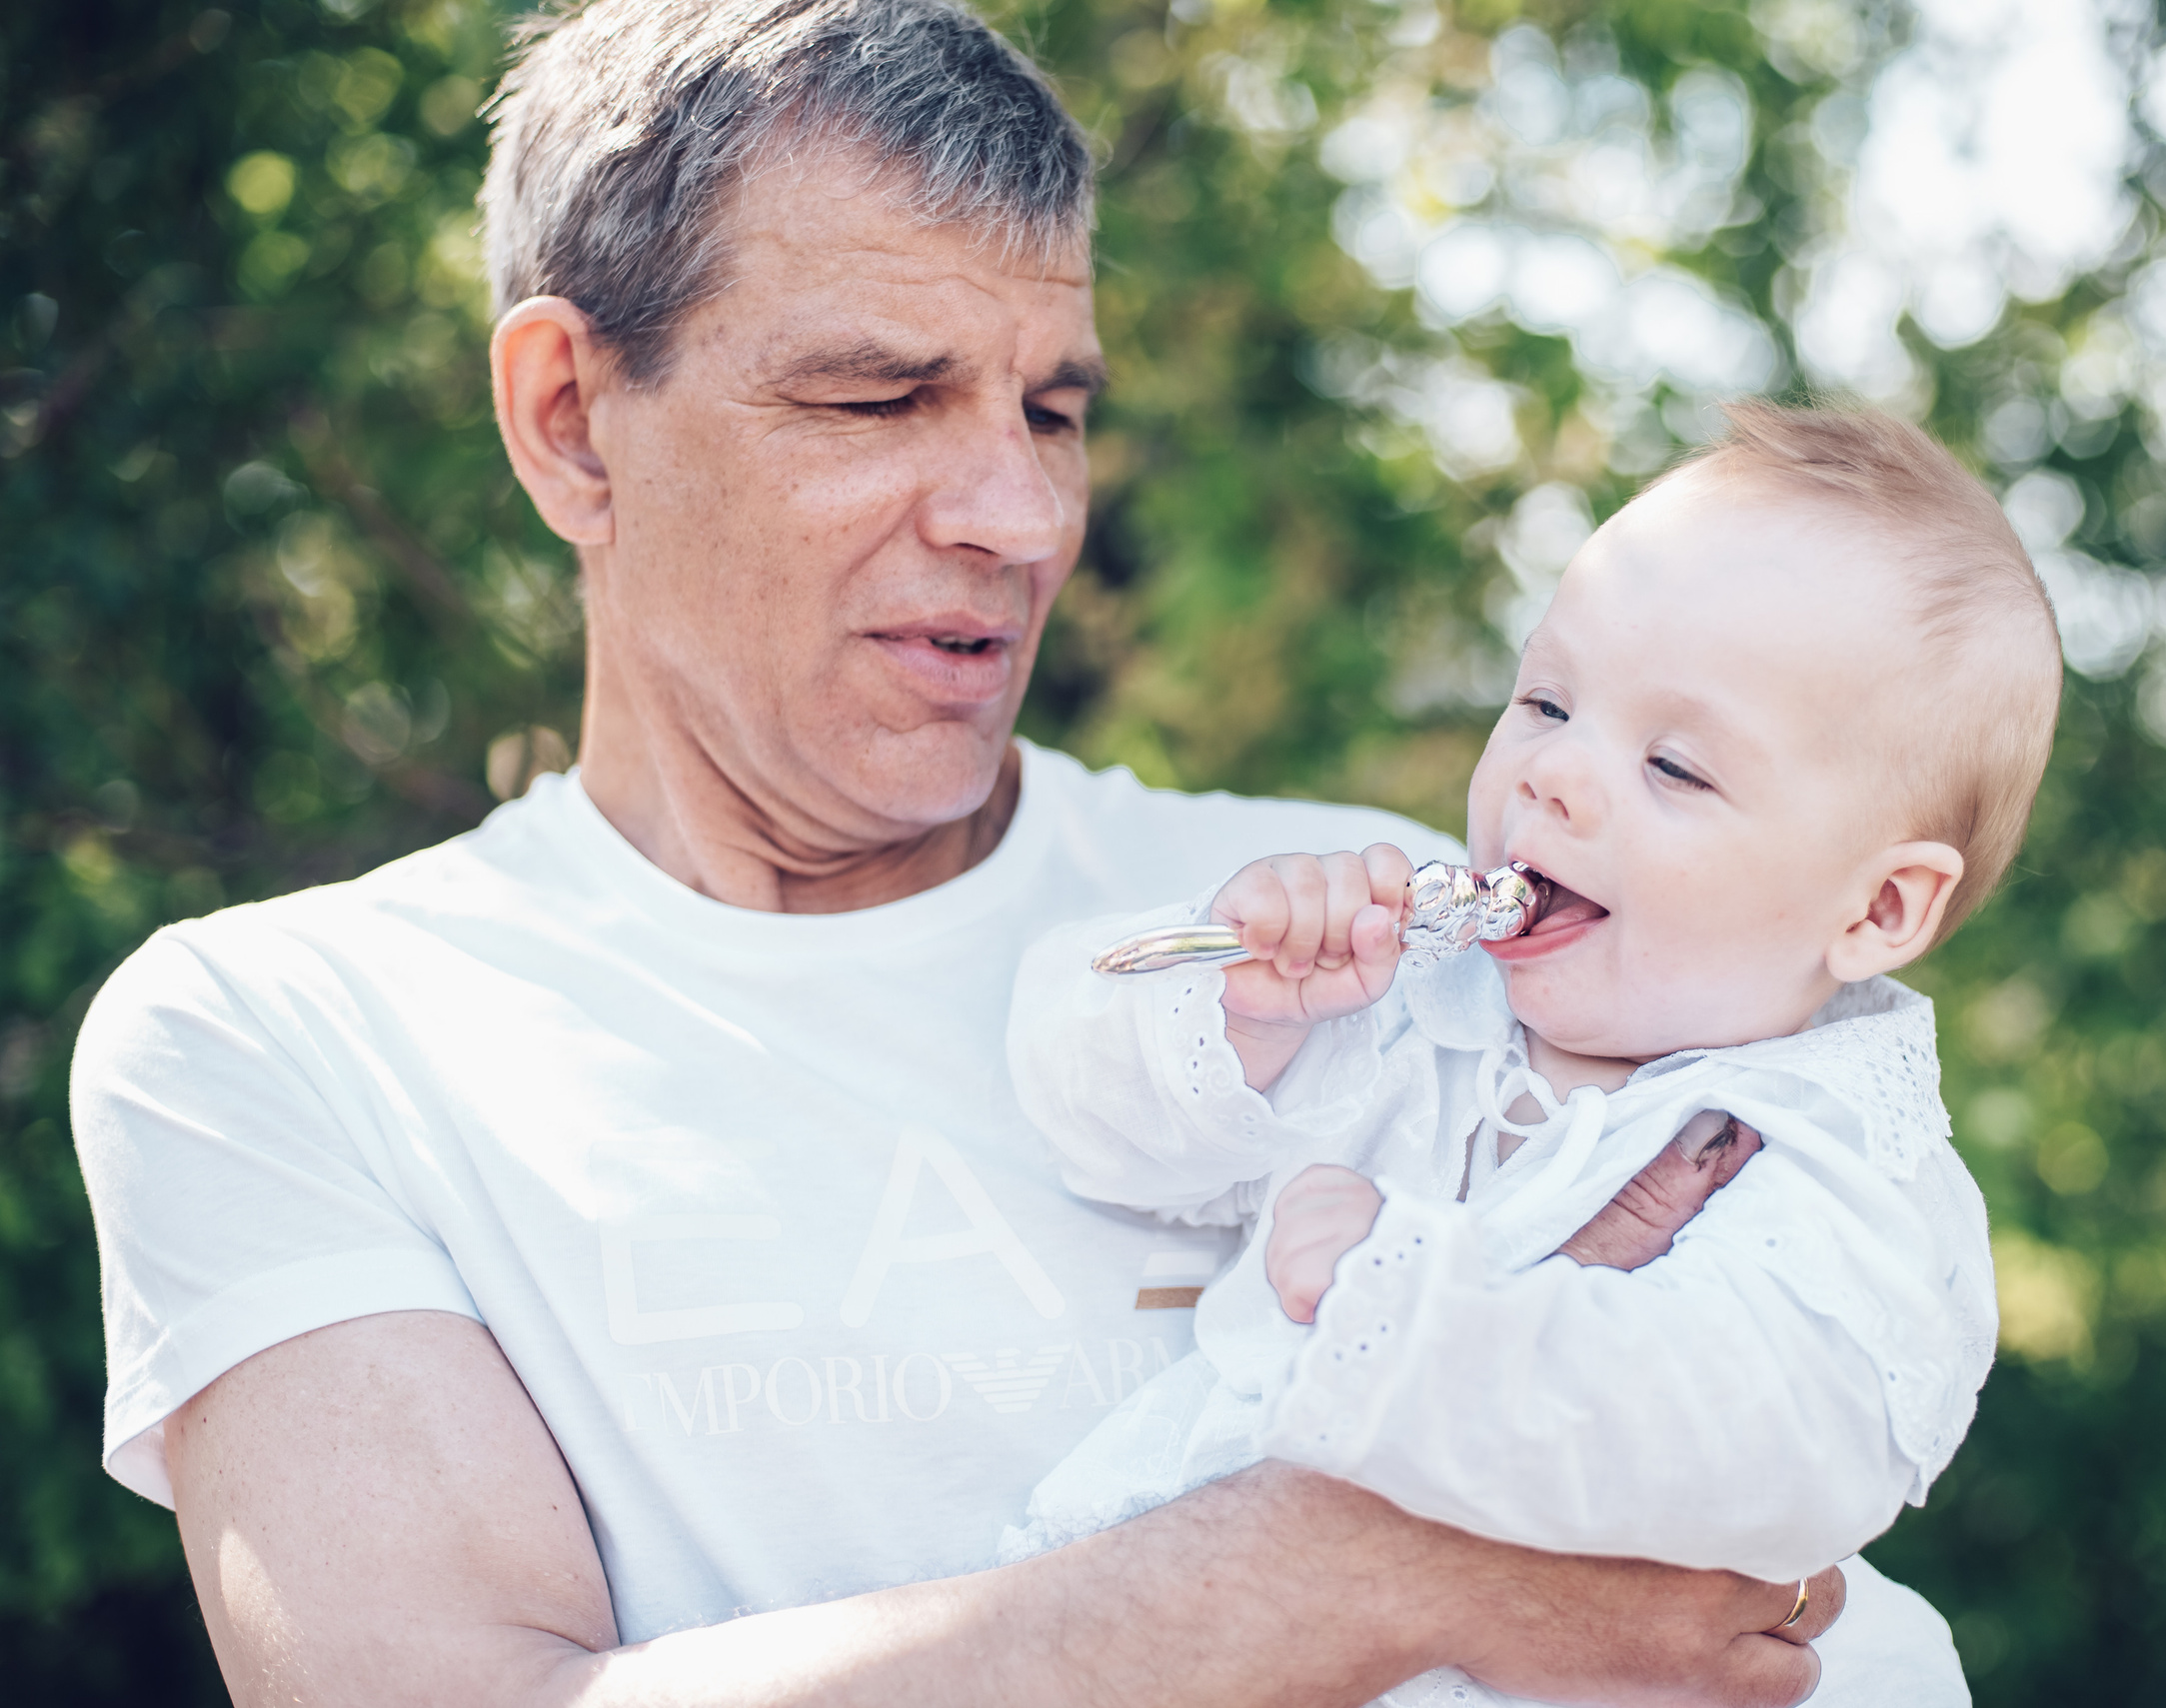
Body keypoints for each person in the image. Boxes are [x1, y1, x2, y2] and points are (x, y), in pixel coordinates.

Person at [68, 2, 1844, 1702]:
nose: (1022, 517)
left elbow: (1754, 1571)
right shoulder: (291, 1036)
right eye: (875, 399)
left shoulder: (1377, 931)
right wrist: (1372, 1574)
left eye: (1051, 411)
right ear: (569, 419)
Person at [1002, 406, 2060, 1706]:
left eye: (1675, 766)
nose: (1554, 773)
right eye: (1548, 700)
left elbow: (1761, 1441)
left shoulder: (1838, 1160)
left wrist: (1421, 1311)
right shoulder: (1415, 999)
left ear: (1879, 907)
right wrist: (1242, 1007)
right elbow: (1088, 1121)